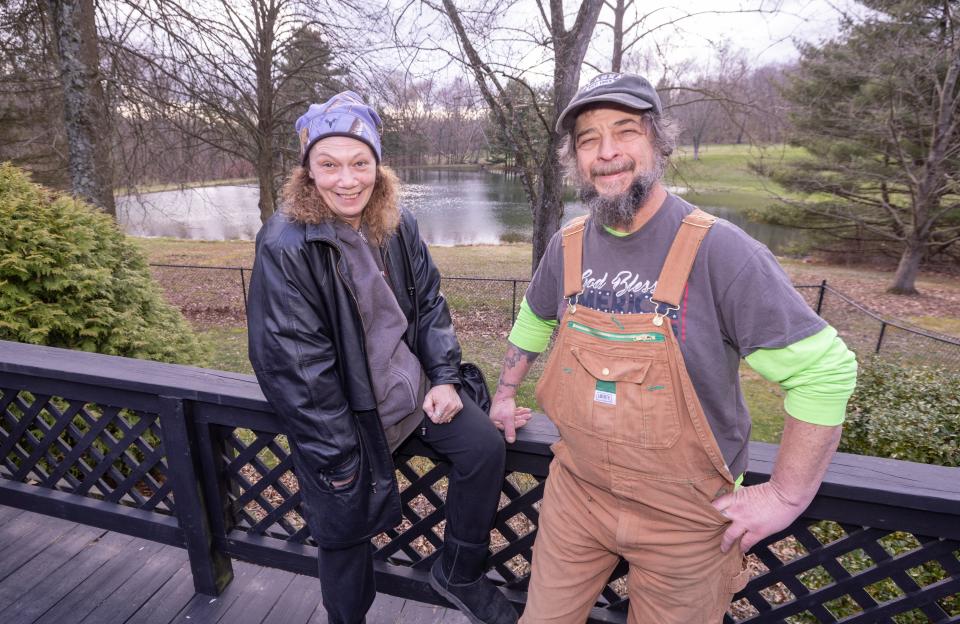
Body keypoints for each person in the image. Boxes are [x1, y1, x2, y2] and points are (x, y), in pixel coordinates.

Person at [489, 73, 858, 623]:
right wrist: (505, 390)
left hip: (687, 516)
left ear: (659, 141)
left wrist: (785, 496)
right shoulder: (566, 246)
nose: (607, 151)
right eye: (588, 139)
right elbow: (536, 317)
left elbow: (825, 372)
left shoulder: (721, 250)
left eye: (625, 131)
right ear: (575, 159)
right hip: (577, 496)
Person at [247, 91, 518, 624]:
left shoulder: (395, 222)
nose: (346, 180)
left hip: (412, 397)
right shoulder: (286, 244)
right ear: (308, 171)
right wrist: (342, 454)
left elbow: (430, 305)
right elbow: (294, 368)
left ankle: (459, 570)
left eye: (359, 163)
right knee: (345, 540)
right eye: (328, 165)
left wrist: (442, 377)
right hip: (347, 420)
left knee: (484, 448)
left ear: (377, 165)